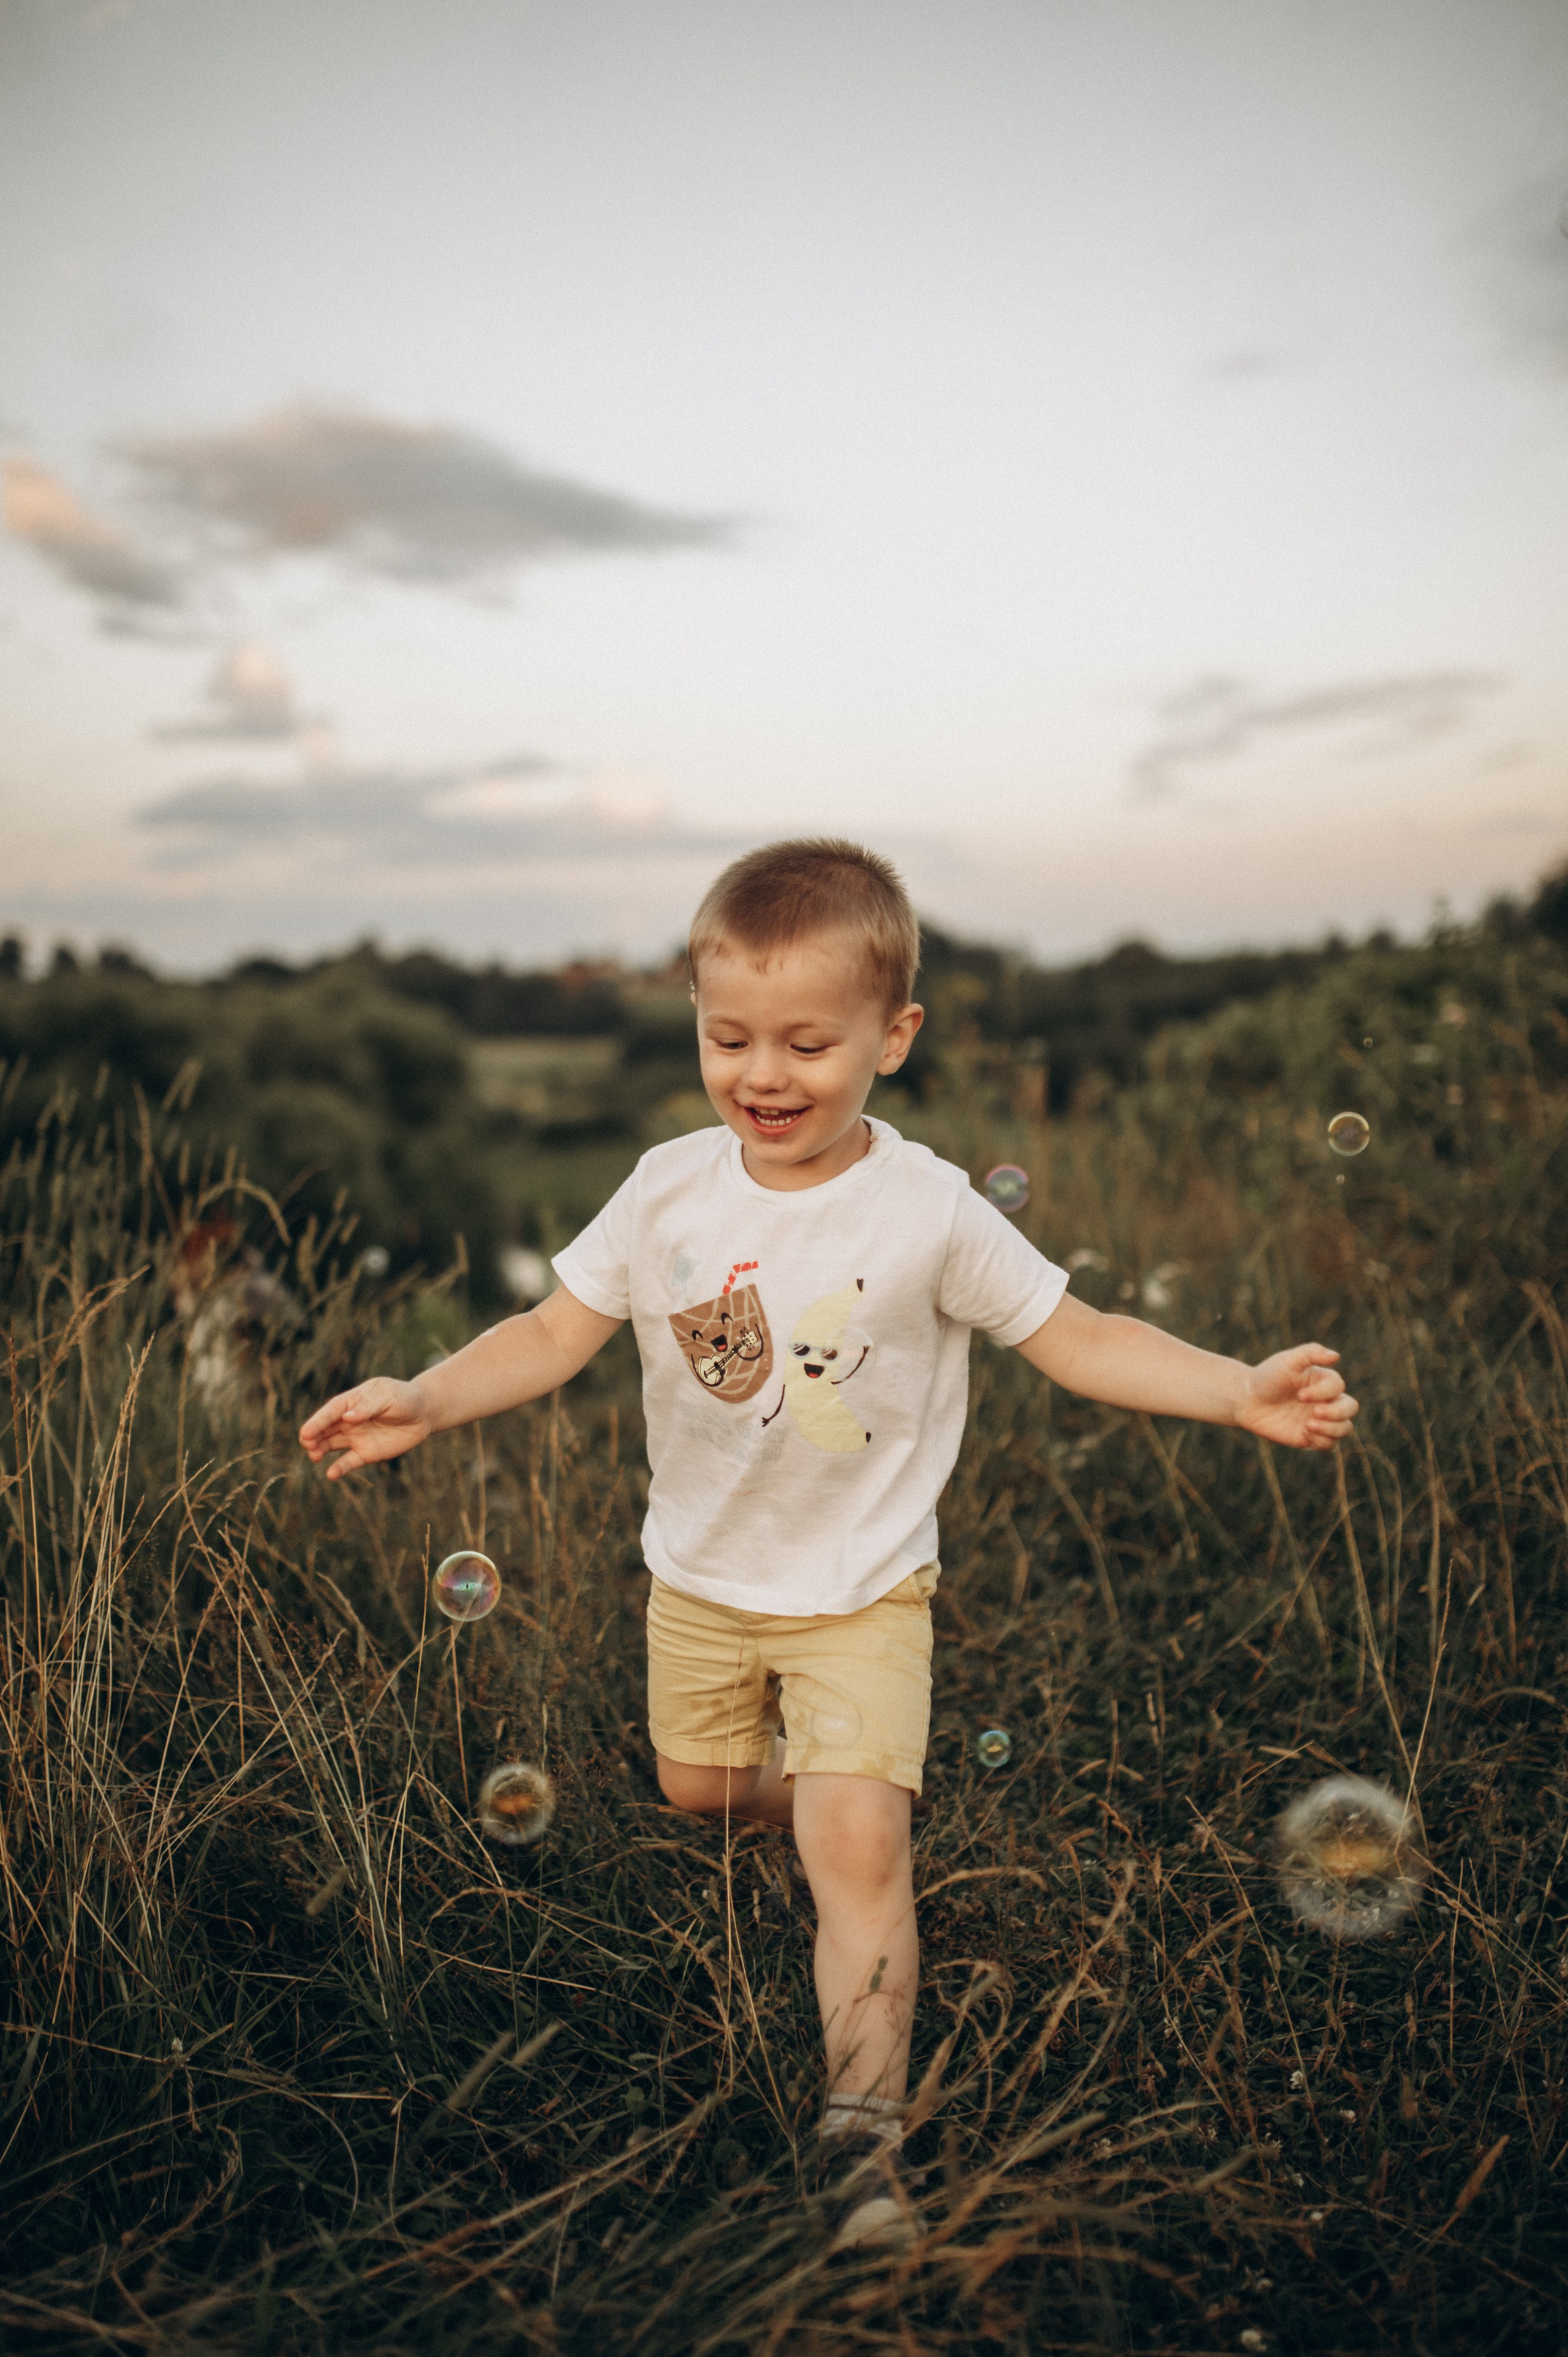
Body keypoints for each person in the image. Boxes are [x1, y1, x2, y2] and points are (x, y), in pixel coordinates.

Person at [299, 837, 1359, 2247]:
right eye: (726, 1034)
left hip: (863, 1587)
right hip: (700, 1577)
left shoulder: (925, 1212)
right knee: (698, 1790)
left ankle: (864, 2155)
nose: (763, 1073)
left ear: (892, 1036)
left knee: (850, 1844)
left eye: (806, 1040)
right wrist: (426, 1394)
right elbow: (553, 1333)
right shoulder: (666, 1187)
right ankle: (821, 1792)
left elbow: (1082, 1336)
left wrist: (1234, 1388)